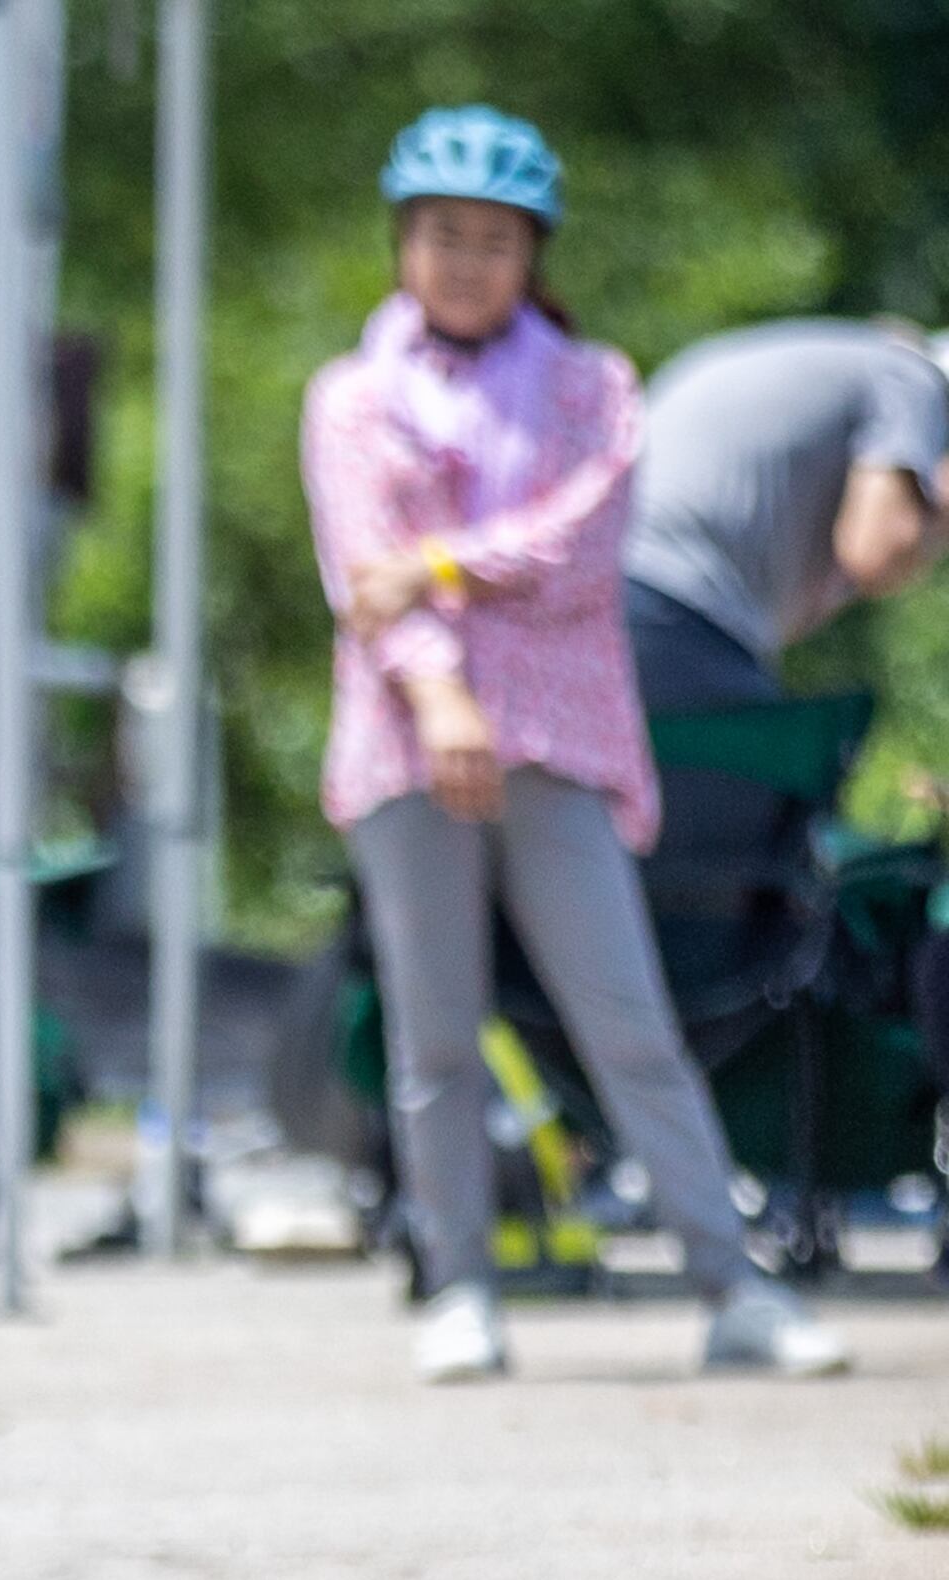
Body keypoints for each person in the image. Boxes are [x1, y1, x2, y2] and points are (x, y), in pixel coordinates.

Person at [302, 106, 846, 1382]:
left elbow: (578, 547)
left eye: (495, 240)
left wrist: (439, 563)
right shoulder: (354, 397)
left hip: (560, 744)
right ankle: (461, 1286)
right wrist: (440, 694)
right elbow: (354, 567)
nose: (466, 260)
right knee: (434, 1036)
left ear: (532, 253)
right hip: (405, 751)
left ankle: (731, 1287)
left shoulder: (596, 387)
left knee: (627, 1021)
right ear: (404, 242)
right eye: (443, 235)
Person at [623, 320, 949, 712]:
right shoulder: (914, 377)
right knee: (775, 764)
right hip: (670, 598)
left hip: (604, 580)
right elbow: (877, 553)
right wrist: (929, 522)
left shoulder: (844, 360)